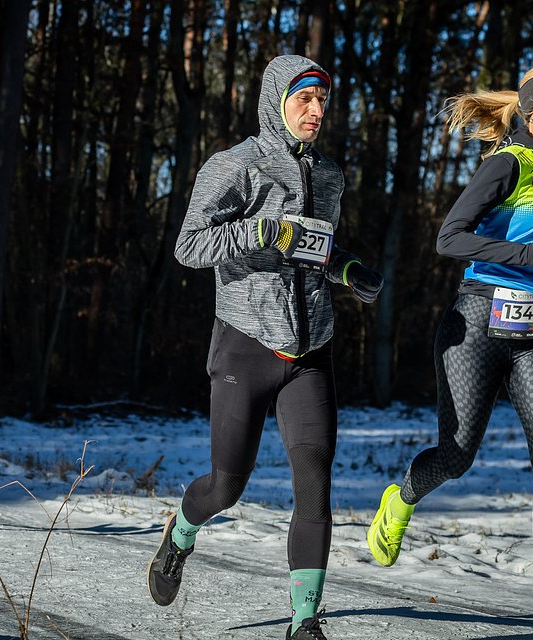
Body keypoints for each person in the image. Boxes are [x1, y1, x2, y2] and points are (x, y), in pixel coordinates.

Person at [147, 55, 384, 640]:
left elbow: (317, 251)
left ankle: (305, 622)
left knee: (315, 477)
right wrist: (260, 229)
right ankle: (179, 534)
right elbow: (188, 245)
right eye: (304, 98)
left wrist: (348, 270)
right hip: (245, 346)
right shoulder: (235, 166)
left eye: (323, 100)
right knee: (227, 486)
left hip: (312, 348)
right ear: (277, 101)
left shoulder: (328, 175)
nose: (316, 110)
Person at [365, 63, 533, 640]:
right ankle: (400, 498)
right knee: (457, 453)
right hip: (477, 324)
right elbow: (451, 238)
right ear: (529, 106)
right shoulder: (506, 163)